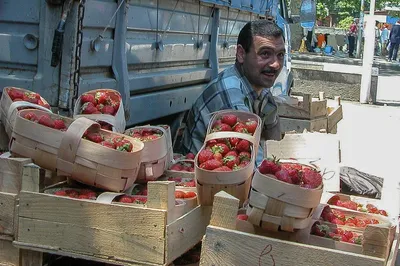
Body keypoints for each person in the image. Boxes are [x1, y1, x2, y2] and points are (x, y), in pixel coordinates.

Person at [179, 20, 285, 165]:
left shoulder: (262, 91)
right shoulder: (230, 92)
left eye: (280, 55)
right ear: (241, 54)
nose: (276, 64)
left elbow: (275, 140)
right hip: (196, 179)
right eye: (265, 54)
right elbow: (253, 164)